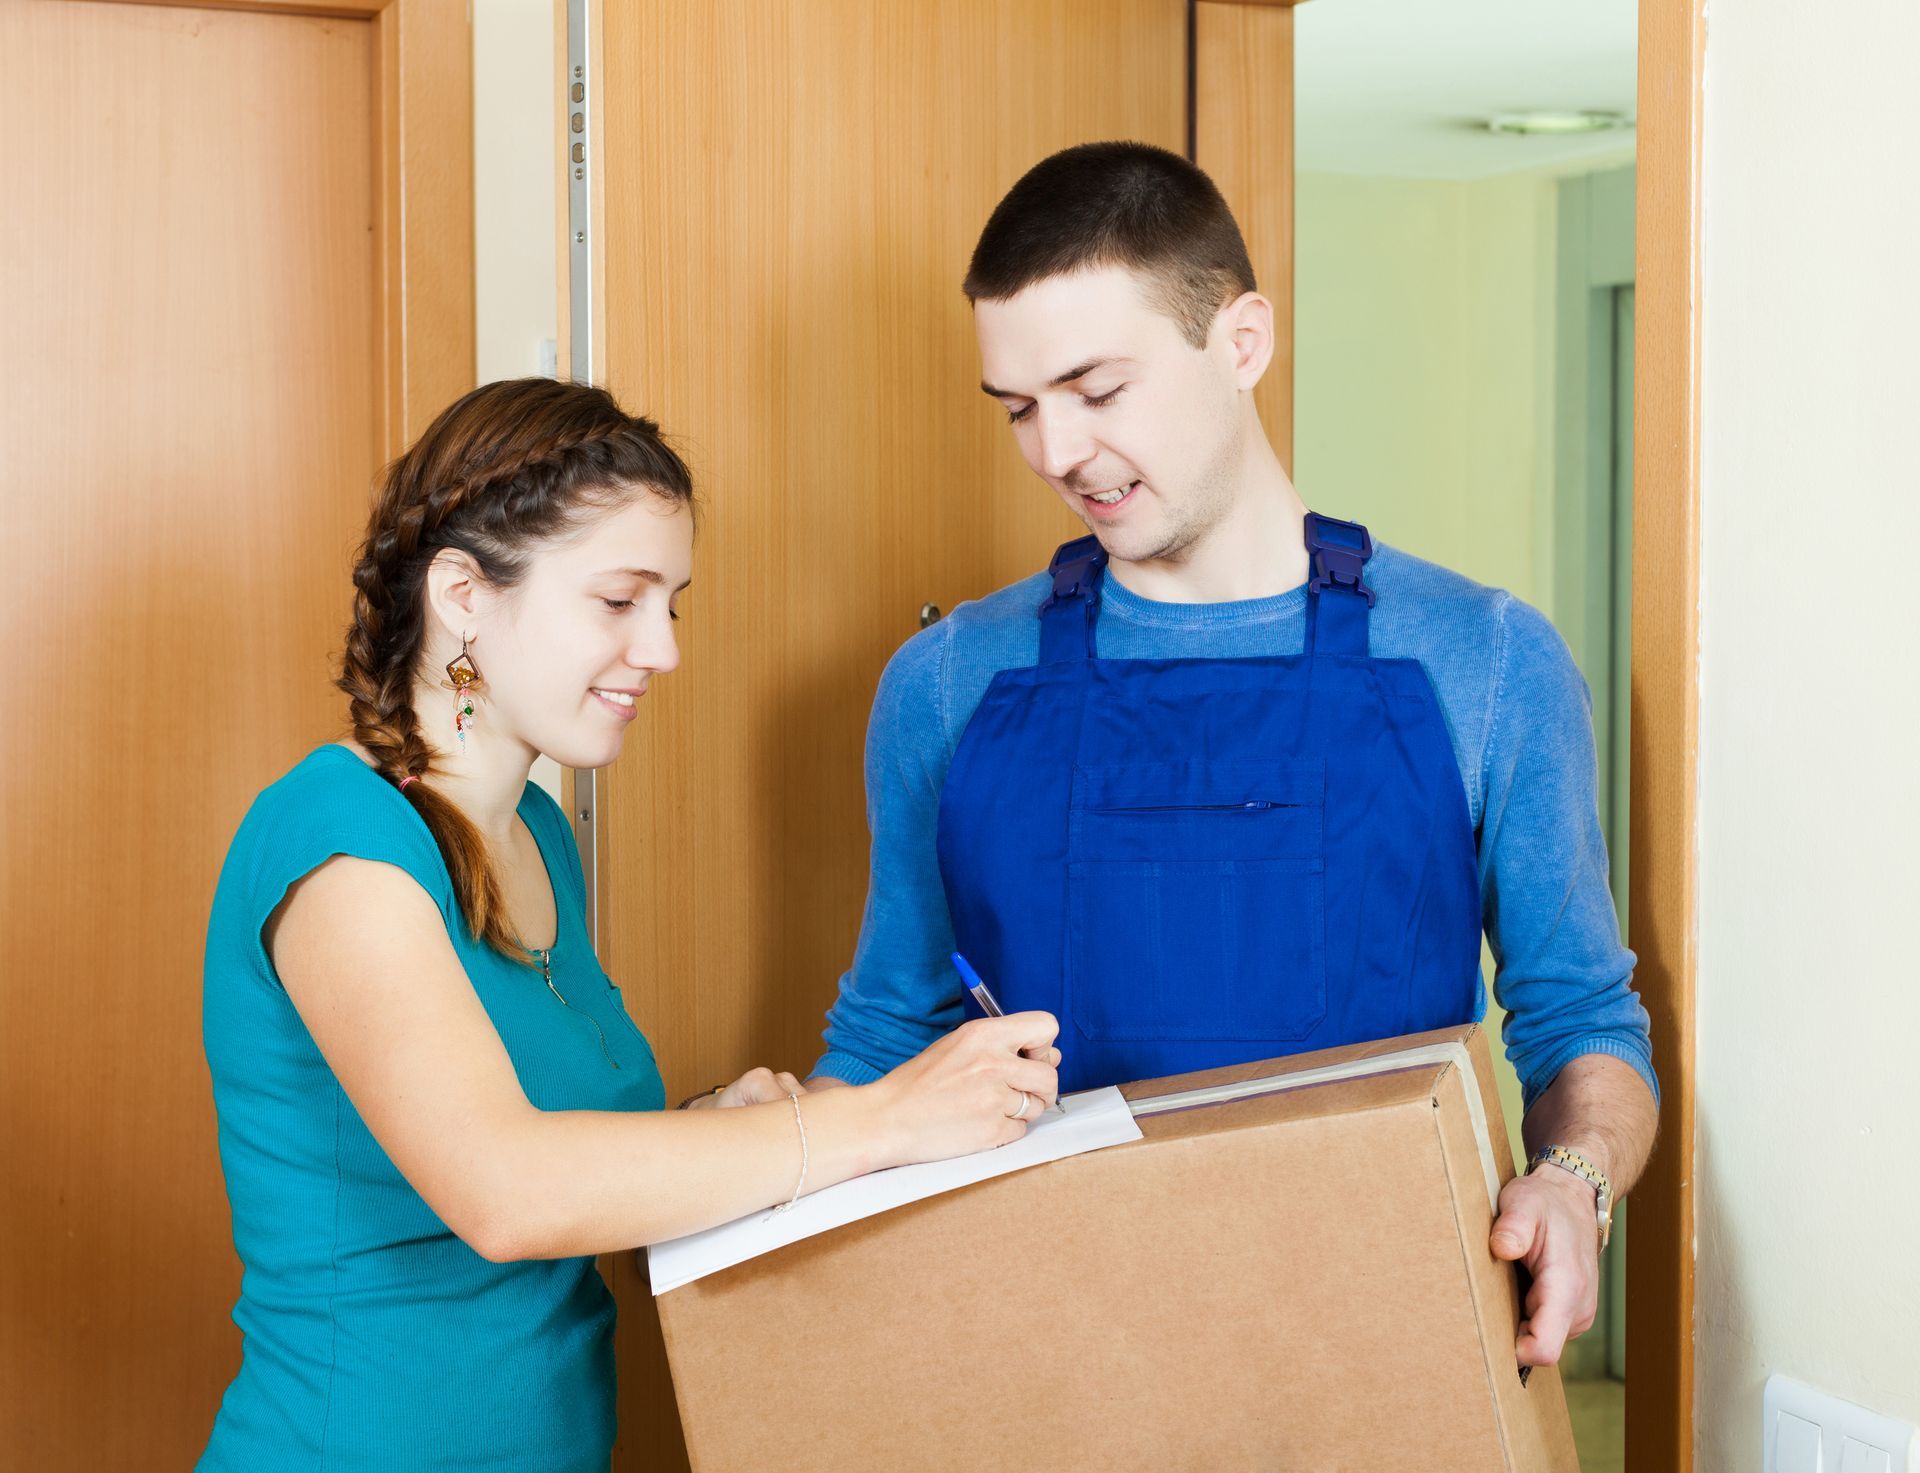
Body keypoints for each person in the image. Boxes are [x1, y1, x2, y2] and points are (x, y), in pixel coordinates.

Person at [807, 141, 1659, 1370]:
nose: (1054, 452)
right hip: (1045, 1348)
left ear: (1242, 342)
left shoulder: (1486, 662)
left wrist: (1576, 1179)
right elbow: (892, 1032)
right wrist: (762, 1154)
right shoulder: (946, 685)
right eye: (1018, 409)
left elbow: (1584, 1015)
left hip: (1385, 1345)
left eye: (1097, 391)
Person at [197, 378, 1059, 1471]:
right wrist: (881, 1120)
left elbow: (562, 1149)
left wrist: (716, 1128)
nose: (663, 650)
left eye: (673, 605)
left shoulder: (539, 833)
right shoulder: (337, 844)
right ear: (463, 593)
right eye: (619, 601)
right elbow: (507, 1192)